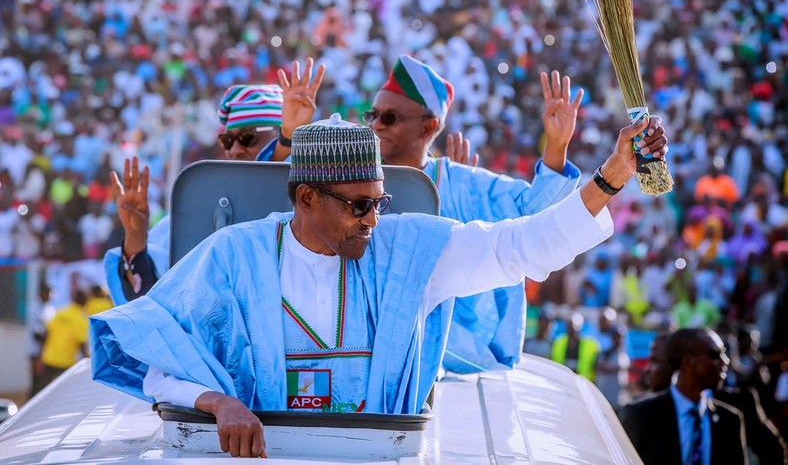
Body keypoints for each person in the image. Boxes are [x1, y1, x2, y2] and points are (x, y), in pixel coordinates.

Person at [90, 107, 667, 458]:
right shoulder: (232, 259)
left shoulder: (407, 249)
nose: (374, 219)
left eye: (380, 202)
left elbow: (518, 246)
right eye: (359, 205)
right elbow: (157, 356)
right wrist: (216, 403)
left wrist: (612, 176)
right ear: (307, 198)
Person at [366, 55, 582, 373]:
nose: (376, 125)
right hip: (372, 354)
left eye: (390, 117)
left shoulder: (465, 184)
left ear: (429, 126)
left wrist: (556, 146)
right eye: (372, 115)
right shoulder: (354, 181)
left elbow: (536, 218)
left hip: (458, 364)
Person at [103, 61, 325, 304]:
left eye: (247, 137)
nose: (236, 150)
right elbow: (148, 302)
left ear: (279, 134)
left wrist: (286, 141)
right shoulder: (198, 208)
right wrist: (136, 238)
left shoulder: (311, 199)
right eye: (228, 141)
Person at [644, 332, 787, 465]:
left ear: (685, 361)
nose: (648, 368)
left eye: (655, 361)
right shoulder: (642, 414)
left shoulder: (737, 408)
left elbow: (774, 451)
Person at [621, 328, 748, 465]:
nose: (725, 361)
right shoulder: (641, 416)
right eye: (714, 354)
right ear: (688, 361)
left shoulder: (730, 420)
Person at [39, 290, 89, 392]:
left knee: (43, 389)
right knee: (63, 391)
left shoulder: (61, 312)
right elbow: (81, 342)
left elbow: (47, 332)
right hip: (66, 361)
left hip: (50, 357)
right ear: (85, 300)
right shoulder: (80, 318)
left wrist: (41, 353)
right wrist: (87, 361)